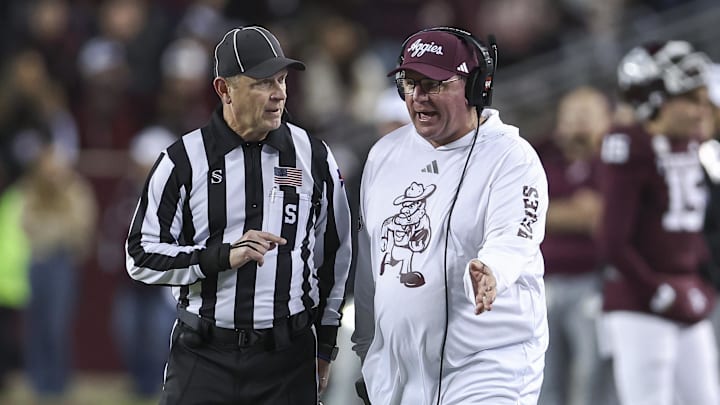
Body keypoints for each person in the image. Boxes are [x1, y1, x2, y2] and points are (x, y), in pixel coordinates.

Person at [125, 26, 352, 404]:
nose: (279, 93)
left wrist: (325, 345)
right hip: (204, 354)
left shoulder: (314, 156)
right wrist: (219, 256)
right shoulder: (182, 160)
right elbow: (139, 256)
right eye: (263, 82)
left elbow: (337, 254)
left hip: (288, 357)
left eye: (281, 79)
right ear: (224, 89)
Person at [352, 27, 549, 404]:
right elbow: (370, 263)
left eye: (435, 84)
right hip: (400, 373)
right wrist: (366, 349)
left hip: (489, 365)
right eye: (410, 83)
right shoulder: (384, 153)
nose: (419, 97)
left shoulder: (512, 156)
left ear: (477, 88)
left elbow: (516, 236)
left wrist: (492, 270)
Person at [599, 40, 719, 405]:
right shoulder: (631, 146)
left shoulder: (694, 147)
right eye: (690, 99)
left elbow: (691, 233)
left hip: (684, 291)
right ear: (655, 101)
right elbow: (612, 242)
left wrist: (701, 282)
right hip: (641, 301)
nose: (702, 110)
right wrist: (657, 290)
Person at [535, 87, 616, 405]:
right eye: (572, 117)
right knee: (543, 374)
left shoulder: (614, 160)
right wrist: (573, 212)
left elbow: (602, 216)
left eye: (586, 117)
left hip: (594, 281)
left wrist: (552, 211)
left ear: (606, 120)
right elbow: (521, 213)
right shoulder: (541, 157)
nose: (578, 126)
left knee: (592, 371)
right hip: (543, 283)